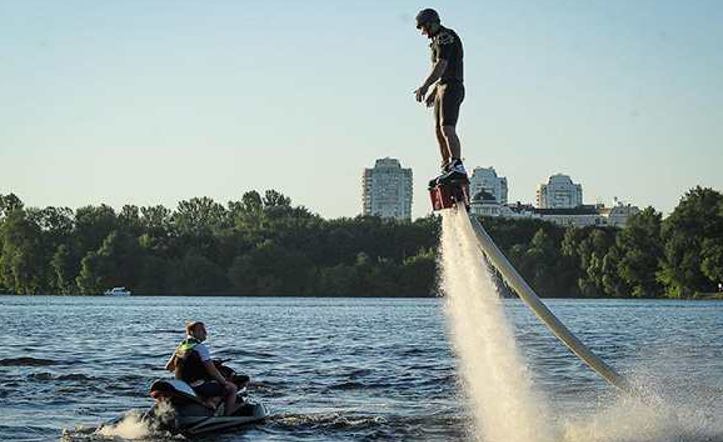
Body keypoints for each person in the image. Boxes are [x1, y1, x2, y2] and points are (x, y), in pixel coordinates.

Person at [413, 8, 468, 186]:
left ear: (432, 23)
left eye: (424, 27)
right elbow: (441, 72)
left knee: (447, 127)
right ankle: (446, 167)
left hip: (452, 86)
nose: (423, 32)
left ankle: (457, 166)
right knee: (438, 129)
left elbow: (442, 65)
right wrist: (434, 91)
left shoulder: (445, 37)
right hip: (442, 87)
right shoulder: (436, 40)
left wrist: (425, 86)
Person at [165, 321, 239, 415]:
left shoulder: (182, 345)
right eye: (201, 330)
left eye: (205, 330)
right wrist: (225, 383)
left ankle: (208, 402)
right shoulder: (200, 347)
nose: (205, 333)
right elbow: (213, 371)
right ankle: (227, 416)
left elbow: (169, 367)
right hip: (195, 385)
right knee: (232, 388)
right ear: (191, 332)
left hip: (182, 385)